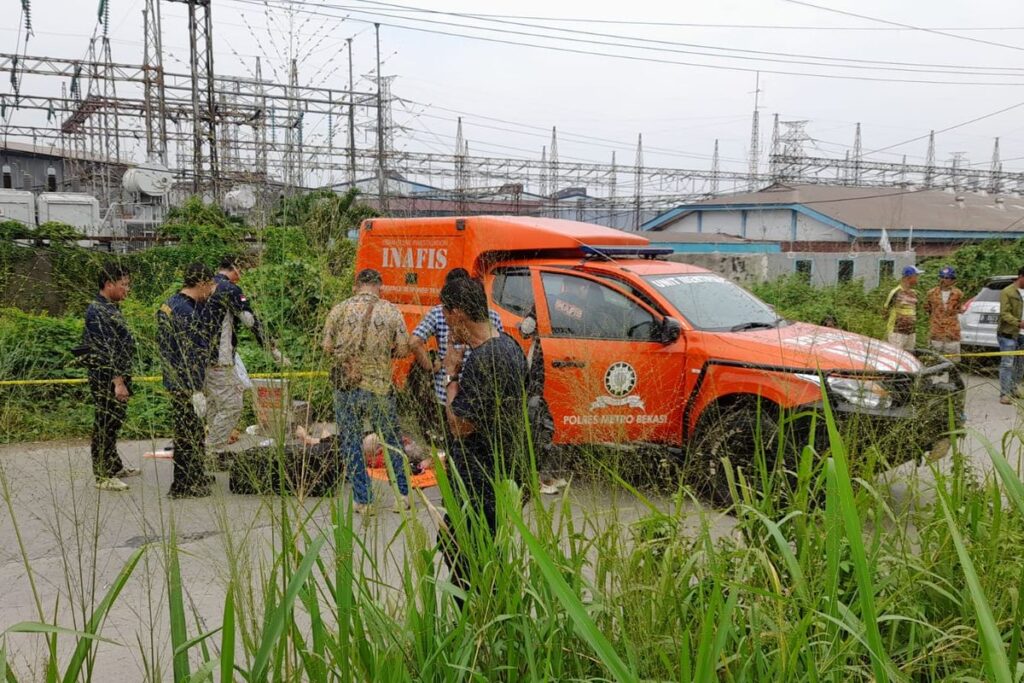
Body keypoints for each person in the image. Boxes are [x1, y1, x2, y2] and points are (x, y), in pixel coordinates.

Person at [439, 276, 529, 597]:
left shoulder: (484, 359)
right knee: (474, 559)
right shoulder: (510, 347)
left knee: (470, 573)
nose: (446, 324)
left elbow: (460, 425)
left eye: (446, 315)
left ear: (459, 313)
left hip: (479, 487)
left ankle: (479, 635)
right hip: (494, 479)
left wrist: (451, 374)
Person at [321, 268, 410, 514]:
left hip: (347, 388)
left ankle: (364, 500)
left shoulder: (339, 309)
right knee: (392, 442)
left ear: (356, 286)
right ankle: (402, 496)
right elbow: (403, 349)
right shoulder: (391, 310)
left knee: (351, 442)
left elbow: (327, 346)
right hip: (380, 387)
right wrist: (383, 353)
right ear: (379, 286)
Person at [203, 255, 288, 457]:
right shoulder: (229, 289)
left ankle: (213, 449)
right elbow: (250, 320)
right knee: (232, 405)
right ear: (235, 267)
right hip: (220, 358)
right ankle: (213, 449)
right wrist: (273, 349)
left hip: (201, 358)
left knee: (215, 404)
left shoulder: (205, 286)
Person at [411, 268, 503, 442]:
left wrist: (432, 366)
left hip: (445, 390)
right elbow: (497, 347)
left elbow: (414, 341)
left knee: (447, 444)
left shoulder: (437, 312)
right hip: (478, 395)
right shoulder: (492, 316)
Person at [158, 262, 218, 498]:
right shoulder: (186, 313)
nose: (212, 290)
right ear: (201, 284)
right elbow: (190, 353)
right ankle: (183, 485)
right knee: (187, 434)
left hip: (175, 379)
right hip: (185, 383)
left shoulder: (171, 304)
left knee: (192, 431)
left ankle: (196, 474)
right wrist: (195, 389)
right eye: (211, 285)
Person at [81, 262, 139, 491]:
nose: (127, 289)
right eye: (124, 284)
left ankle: (114, 466)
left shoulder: (111, 307)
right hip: (106, 378)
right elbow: (105, 349)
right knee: (105, 423)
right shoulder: (97, 310)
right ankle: (103, 475)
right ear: (109, 284)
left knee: (114, 422)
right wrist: (118, 382)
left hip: (119, 375)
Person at [923, 266, 964, 362]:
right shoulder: (931, 293)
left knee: (952, 361)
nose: (944, 280)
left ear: (952, 280)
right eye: (942, 277)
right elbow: (927, 309)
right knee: (933, 359)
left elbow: (960, 308)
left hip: (952, 332)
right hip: (936, 331)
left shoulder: (958, 294)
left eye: (947, 278)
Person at [997, 266, 1024, 405]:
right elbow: (1004, 313)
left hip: (1023, 335)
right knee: (1007, 363)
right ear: (1021, 277)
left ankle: (1014, 388)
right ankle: (1004, 394)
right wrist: (1018, 323)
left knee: (1020, 364)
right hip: (1008, 333)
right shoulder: (1007, 292)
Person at [884, 265, 923, 352]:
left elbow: (916, 311)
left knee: (909, 355)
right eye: (916, 276)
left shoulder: (914, 293)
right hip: (897, 332)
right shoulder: (896, 292)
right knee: (896, 356)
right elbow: (885, 310)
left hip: (911, 332)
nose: (917, 278)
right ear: (908, 277)